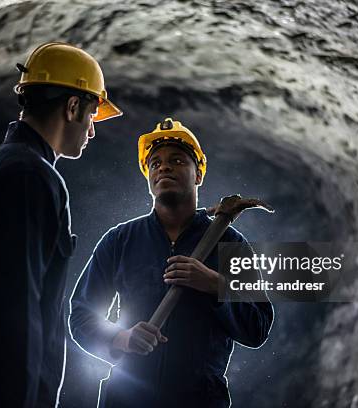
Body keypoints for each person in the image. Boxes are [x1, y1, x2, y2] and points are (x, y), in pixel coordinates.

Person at [0, 42, 122, 408]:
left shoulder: (14, 167)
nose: (93, 132)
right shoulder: (28, 176)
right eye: (91, 117)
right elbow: (14, 309)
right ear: (71, 107)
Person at [69, 118, 274, 408]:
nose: (163, 167)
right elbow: (80, 317)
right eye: (155, 163)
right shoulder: (120, 240)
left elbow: (257, 328)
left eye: (177, 160)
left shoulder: (231, 244)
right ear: (148, 177)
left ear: (198, 175)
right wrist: (121, 337)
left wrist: (215, 285)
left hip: (200, 400)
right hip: (126, 398)